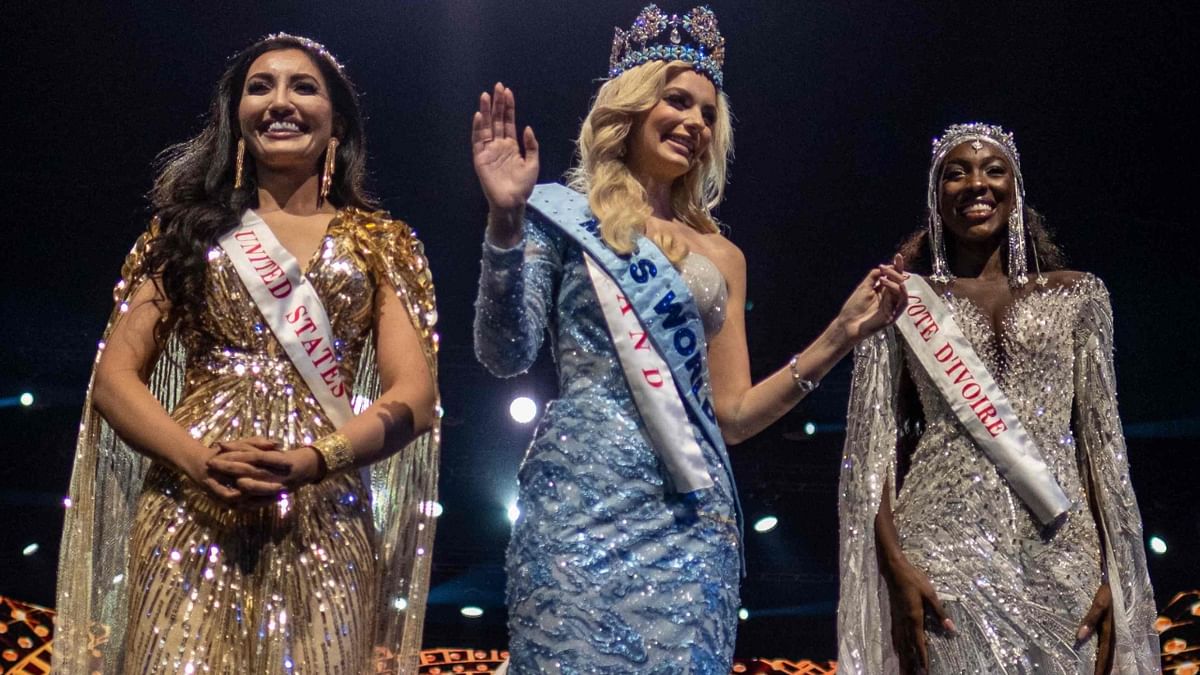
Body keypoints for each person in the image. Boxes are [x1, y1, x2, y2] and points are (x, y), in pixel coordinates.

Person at [471, 5, 908, 672]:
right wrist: (505, 221)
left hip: (690, 522)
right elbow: (505, 351)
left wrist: (842, 333)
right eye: (678, 101)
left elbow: (731, 415)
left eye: (709, 113)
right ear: (632, 106)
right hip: (576, 507)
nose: (696, 124)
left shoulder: (722, 255)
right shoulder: (560, 214)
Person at [55, 34, 440, 674]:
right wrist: (199, 461)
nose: (279, 102)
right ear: (236, 117)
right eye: (259, 87)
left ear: (337, 120)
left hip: (325, 514)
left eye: (303, 86)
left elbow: (416, 398)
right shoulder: (186, 231)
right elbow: (114, 378)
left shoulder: (382, 241)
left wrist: (316, 460)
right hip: (188, 505)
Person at [837, 123, 1160, 674]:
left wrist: (1117, 574)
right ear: (936, 196)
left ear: (1016, 187)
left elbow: (1102, 447)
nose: (975, 184)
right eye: (955, 173)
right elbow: (868, 454)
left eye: (992, 169)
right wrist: (895, 567)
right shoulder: (901, 298)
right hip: (939, 549)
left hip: (1064, 548)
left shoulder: (1080, 294)